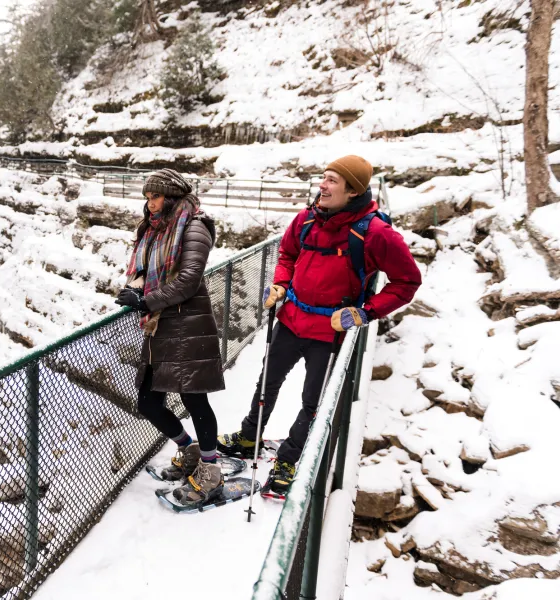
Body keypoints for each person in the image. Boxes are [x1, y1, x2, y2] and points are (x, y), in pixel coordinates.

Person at [218, 155, 422, 498]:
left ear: (353, 190)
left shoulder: (375, 233)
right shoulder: (306, 219)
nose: (321, 186)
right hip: (292, 318)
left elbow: (407, 281)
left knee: (313, 401)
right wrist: (281, 284)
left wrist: (365, 312)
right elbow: (287, 255)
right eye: (323, 178)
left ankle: (289, 458)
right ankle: (248, 436)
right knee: (267, 382)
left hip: (329, 332)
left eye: (331, 181)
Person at [115, 168, 226, 507]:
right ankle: (188, 448)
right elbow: (145, 271)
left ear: (172, 197)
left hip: (187, 324)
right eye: (147, 197)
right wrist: (133, 289)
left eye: (156, 196)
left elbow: (190, 279)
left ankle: (211, 471)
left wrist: (146, 300)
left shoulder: (194, 226)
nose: (150, 204)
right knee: (148, 402)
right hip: (160, 325)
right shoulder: (154, 229)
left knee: (194, 400)